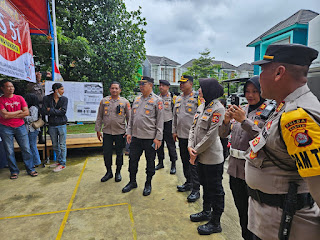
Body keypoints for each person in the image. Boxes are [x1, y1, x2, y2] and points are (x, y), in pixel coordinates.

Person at [245, 44, 320, 240]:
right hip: (270, 222)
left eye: (262, 70)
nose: (259, 77)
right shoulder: (284, 107)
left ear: (279, 73)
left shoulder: (298, 117)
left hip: (286, 226)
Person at [219, 76, 268, 240]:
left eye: (255, 91)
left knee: (256, 218)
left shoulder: (269, 112)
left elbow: (264, 140)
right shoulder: (242, 109)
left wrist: (244, 121)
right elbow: (223, 134)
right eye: (247, 91)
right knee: (242, 213)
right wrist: (226, 122)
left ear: (262, 92)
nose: (250, 95)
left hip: (254, 172)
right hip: (235, 170)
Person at [188, 78, 225, 235]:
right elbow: (193, 127)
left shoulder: (218, 109)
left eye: (201, 88)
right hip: (199, 155)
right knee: (205, 186)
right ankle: (206, 212)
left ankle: (215, 222)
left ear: (209, 90)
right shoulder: (202, 105)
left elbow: (211, 135)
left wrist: (194, 151)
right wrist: (190, 145)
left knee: (215, 189)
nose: (199, 90)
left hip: (211, 157)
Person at [122, 76, 164, 196]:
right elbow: (131, 119)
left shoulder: (157, 100)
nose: (141, 86)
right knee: (132, 160)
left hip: (150, 137)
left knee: (150, 162)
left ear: (150, 85)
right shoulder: (136, 100)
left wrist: (158, 138)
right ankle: (132, 181)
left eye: (143, 84)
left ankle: (148, 183)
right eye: (140, 84)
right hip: (136, 137)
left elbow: (160, 121)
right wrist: (129, 132)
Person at [0, 80, 38, 179]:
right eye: (8, 86)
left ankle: (30, 169)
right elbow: (4, 115)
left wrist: (11, 114)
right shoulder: (1, 100)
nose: (11, 88)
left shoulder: (19, 98)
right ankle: (14, 171)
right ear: (2, 88)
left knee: (26, 148)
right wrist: (18, 112)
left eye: (12, 86)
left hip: (20, 126)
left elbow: (26, 113)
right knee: (9, 150)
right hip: (5, 127)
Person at [95, 81, 131, 182]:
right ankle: (108, 172)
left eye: (116, 88)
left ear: (120, 90)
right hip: (107, 132)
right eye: (112, 88)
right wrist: (98, 130)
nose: (114, 90)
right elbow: (99, 116)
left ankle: (118, 172)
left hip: (120, 132)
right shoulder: (104, 101)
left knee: (119, 153)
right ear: (110, 89)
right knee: (107, 153)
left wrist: (129, 131)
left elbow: (129, 118)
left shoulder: (125, 102)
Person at [172, 75, 200, 202]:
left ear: (191, 84)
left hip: (193, 137)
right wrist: (174, 131)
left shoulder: (197, 98)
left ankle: (196, 189)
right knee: (184, 161)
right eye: (180, 83)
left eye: (184, 83)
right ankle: (188, 183)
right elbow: (175, 117)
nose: (181, 85)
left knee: (193, 163)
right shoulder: (178, 98)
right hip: (182, 136)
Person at [43, 83, 68, 172]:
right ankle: (58, 161)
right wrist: (57, 110)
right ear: (56, 90)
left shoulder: (64, 99)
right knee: (55, 144)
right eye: (61, 89)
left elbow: (63, 112)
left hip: (62, 124)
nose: (63, 91)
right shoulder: (47, 98)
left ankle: (63, 164)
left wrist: (51, 110)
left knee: (62, 145)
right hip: (52, 124)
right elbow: (44, 111)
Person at [155, 79, 178, 174]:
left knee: (170, 145)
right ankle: (160, 162)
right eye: (160, 85)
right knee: (158, 144)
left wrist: (174, 129)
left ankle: (173, 164)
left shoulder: (173, 98)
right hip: (159, 125)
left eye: (163, 86)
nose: (161, 87)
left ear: (168, 87)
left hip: (169, 124)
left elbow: (176, 113)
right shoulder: (156, 98)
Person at [27, 71, 49, 144]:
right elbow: (30, 88)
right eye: (37, 74)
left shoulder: (43, 84)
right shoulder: (31, 84)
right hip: (36, 105)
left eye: (40, 75)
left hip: (44, 105)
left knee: (43, 120)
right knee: (36, 120)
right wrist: (35, 80)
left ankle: (42, 136)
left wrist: (50, 77)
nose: (39, 76)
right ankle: (39, 136)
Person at [24, 93, 42, 167]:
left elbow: (33, 118)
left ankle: (36, 161)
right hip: (33, 129)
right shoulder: (35, 107)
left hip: (32, 129)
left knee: (32, 145)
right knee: (32, 145)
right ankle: (35, 161)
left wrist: (25, 117)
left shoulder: (33, 108)